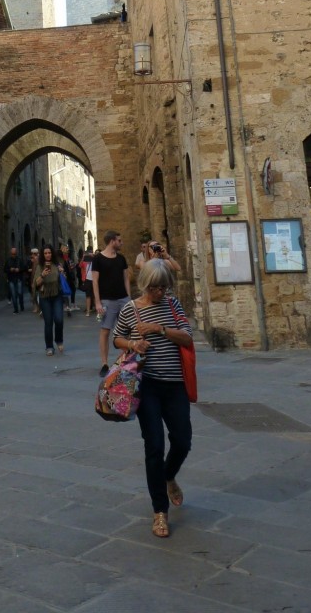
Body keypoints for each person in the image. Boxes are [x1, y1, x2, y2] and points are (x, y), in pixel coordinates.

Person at [113, 259, 193, 539]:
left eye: (165, 287)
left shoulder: (173, 306)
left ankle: (169, 475)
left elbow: (186, 338)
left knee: (183, 441)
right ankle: (160, 511)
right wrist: (133, 343)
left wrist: (159, 330)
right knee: (154, 446)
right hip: (146, 387)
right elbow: (116, 338)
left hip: (175, 386)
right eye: (156, 287)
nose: (161, 292)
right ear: (146, 284)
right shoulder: (130, 309)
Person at [91, 230, 130, 376]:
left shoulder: (121, 258)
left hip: (123, 299)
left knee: (128, 330)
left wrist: (129, 298)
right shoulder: (98, 259)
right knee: (105, 331)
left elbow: (126, 278)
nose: (121, 243)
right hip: (107, 300)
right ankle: (104, 363)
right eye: (119, 240)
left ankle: (127, 360)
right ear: (112, 241)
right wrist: (97, 302)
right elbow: (94, 281)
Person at [34, 245, 64, 356]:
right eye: (45, 253)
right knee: (48, 322)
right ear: (43, 254)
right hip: (44, 296)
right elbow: (36, 283)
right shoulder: (40, 266)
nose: (48, 255)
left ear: (52, 253)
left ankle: (59, 339)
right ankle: (49, 346)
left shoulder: (57, 264)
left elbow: (64, 280)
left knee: (59, 319)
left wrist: (62, 272)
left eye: (49, 253)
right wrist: (42, 275)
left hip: (57, 295)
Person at [5, 246, 25, 313]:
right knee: (13, 295)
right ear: (11, 253)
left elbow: (24, 268)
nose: (13, 255)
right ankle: (16, 309)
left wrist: (19, 269)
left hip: (19, 278)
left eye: (14, 254)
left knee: (20, 293)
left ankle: (21, 305)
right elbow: (5, 269)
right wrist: (10, 269)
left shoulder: (20, 259)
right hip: (11, 279)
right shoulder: (8, 260)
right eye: (12, 254)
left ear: (16, 253)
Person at [79, 249, 95, 316]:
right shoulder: (85, 262)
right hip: (87, 280)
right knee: (88, 296)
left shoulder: (94, 261)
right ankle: (88, 311)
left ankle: (97, 310)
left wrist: (94, 257)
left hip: (94, 280)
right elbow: (80, 265)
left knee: (95, 295)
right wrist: (83, 257)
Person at [27, 248, 41, 313]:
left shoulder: (39, 259)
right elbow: (25, 267)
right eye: (32, 253)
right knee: (33, 294)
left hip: (39, 278)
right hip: (31, 278)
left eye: (35, 253)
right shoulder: (29, 261)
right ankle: (36, 307)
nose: (33, 255)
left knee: (39, 293)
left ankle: (40, 307)